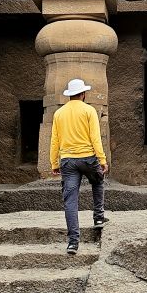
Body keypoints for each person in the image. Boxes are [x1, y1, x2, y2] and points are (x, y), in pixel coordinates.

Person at [50, 78, 109, 254]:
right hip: (88, 158)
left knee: (70, 201)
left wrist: (54, 162)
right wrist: (102, 159)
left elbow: (55, 141)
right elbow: (95, 138)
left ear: (69, 96)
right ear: (83, 94)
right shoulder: (89, 110)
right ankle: (98, 218)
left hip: (67, 161)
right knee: (98, 181)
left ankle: (73, 243)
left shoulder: (59, 114)